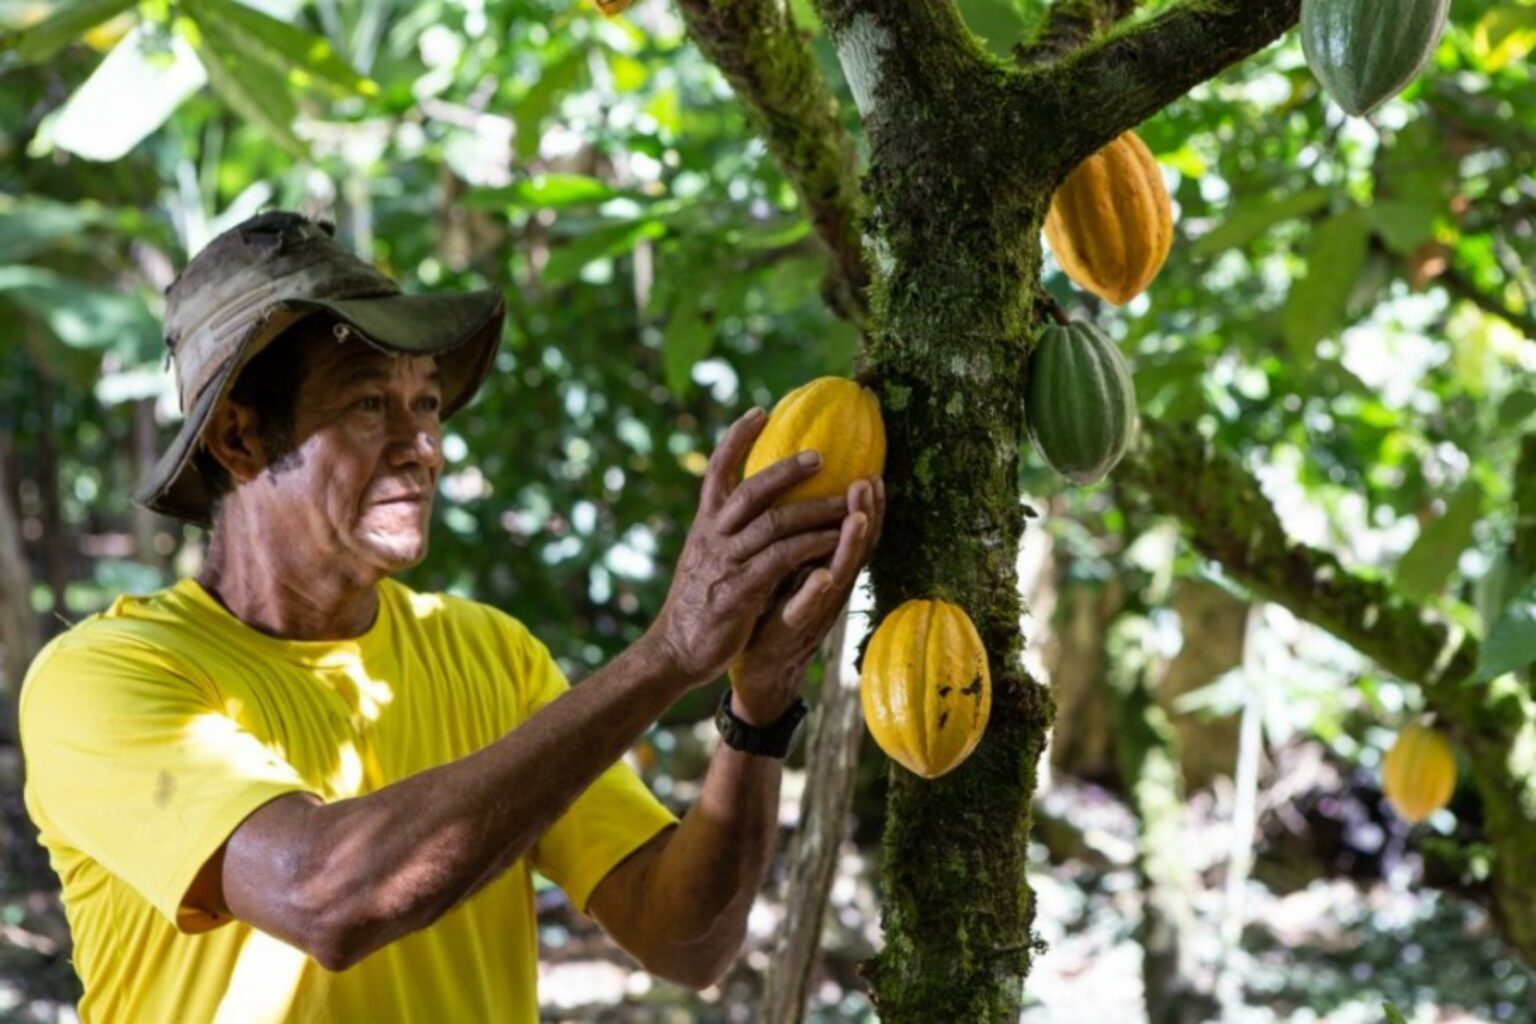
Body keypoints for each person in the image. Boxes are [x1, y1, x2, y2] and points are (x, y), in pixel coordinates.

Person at [18, 211, 884, 1022]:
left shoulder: (490, 656)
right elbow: (325, 897)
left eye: (425, 402)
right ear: (240, 440)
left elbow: (684, 940)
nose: (421, 444)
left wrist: (759, 707)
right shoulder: (101, 680)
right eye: (367, 404)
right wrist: (664, 656)